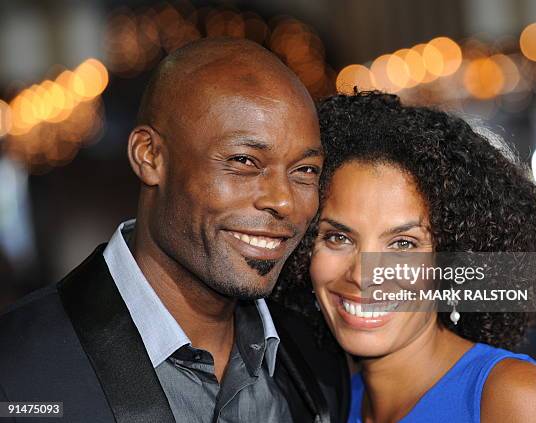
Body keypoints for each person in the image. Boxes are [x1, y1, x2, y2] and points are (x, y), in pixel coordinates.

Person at [0, 38, 350, 423]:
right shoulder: (18, 369)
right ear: (150, 156)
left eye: (305, 171)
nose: (284, 202)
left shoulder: (317, 359)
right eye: (244, 161)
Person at [276, 91, 536, 422]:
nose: (363, 275)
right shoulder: (331, 405)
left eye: (403, 244)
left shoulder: (510, 396)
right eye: (338, 237)